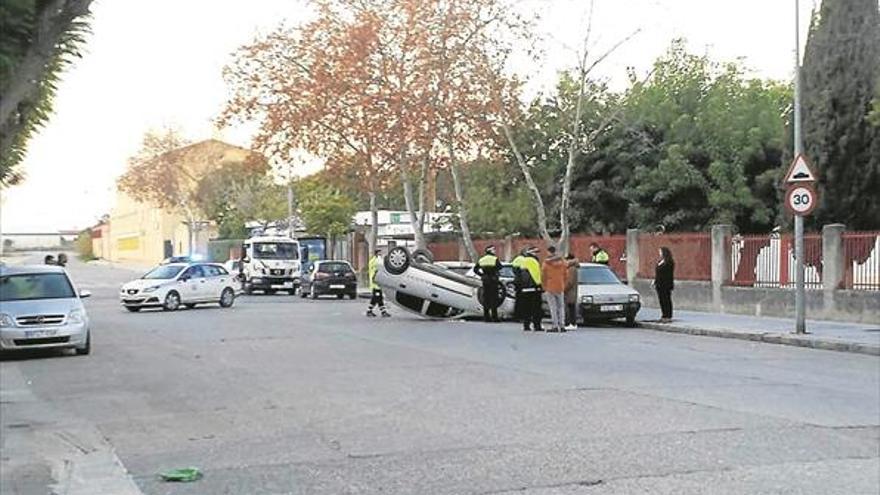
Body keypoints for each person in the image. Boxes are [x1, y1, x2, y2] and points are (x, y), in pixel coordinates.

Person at [541, 245, 568, 333]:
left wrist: (544, 286)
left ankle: (555, 325)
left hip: (550, 286)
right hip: (560, 286)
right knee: (561, 307)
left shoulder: (546, 263)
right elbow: (566, 275)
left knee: (553, 307)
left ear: (549, 252)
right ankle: (562, 325)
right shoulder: (563, 262)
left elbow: (543, 276)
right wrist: (563, 284)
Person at [517, 246, 543, 332]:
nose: (537, 254)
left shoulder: (523, 261)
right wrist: (540, 285)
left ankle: (526, 325)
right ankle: (537, 325)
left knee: (526, 308)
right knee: (536, 308)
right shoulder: (533, 261)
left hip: (525, 289)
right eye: (535, 252)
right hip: (533, 289)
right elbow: (536, 275)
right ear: (532, 253)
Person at [474, 245, 503, 322]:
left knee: (486, 298)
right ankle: (494, 317)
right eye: (493, 250)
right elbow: (500, 267)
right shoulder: (494, 259)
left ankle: (486, 317)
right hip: (493, 280)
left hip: (485, 280)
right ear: (490, 251)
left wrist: (482, 275)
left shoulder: (482, 259)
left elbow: (475, 269)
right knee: (494, 298)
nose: (495, 251)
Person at [366, 249, 390, 318]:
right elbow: (381, 265)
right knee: (377, 298)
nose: (381, 255)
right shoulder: (375, 261)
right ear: (376, 253)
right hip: (375, 283)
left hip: (377, 283)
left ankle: (383, 312)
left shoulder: (374, 260)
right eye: (380, 253)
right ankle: (370, 311)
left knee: (378, 298)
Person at [653, 246, 675, 323]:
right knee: (661, 300)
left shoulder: (669, 262)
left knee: (667, 300)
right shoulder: (660, 261)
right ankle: (663, 315)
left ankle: (668, 315)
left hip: (666, 284)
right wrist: (655, 281)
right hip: (659, 284)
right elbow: (657, 273)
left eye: (660, 252)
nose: (659, 253)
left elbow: (668, 274)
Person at [564, 253, 579, 330]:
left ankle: (571, 323)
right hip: (572, 291)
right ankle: (573, 323)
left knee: (569, 308)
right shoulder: (573, 268)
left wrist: (563, 289)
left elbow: (570, 282)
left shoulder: (571, 269)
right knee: (571, 307)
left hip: (570, 292)